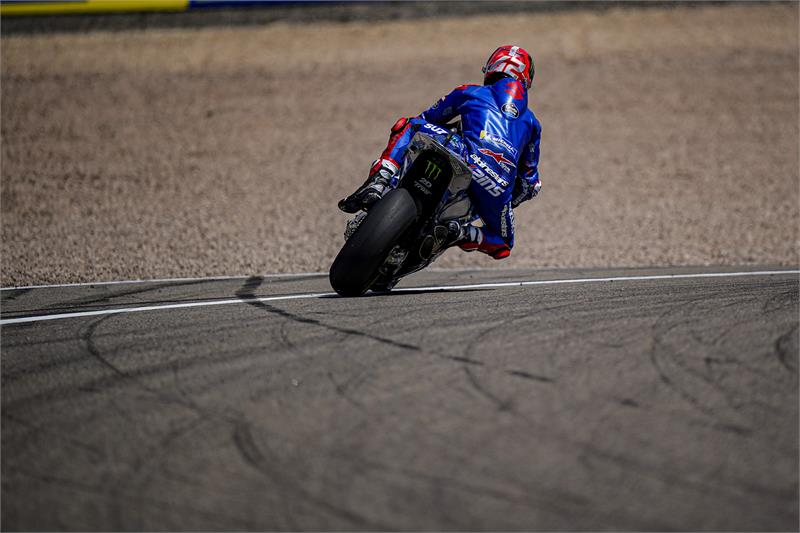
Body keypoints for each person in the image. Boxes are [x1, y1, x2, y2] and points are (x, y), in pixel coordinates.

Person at [339, 45, 542, 260]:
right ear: (526, 79)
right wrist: (508, 201)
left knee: (409, 125)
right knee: (503, 243)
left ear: (491, 68)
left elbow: (427, 119)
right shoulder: (532, 123)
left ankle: (379, 181)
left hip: (465, 155)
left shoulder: (469, 92)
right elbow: (529, 183)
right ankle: (460, 232)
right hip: (497, 187)